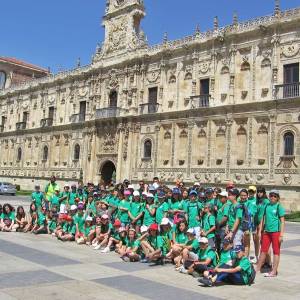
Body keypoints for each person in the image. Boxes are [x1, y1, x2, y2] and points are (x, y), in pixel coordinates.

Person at [256, 189, 285, 277]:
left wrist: (281, 235)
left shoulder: (278, 206)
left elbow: (282, 221)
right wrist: (260, 231)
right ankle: (257, 269)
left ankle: (274, 271)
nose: (272, 197)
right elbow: (263, 219)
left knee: (276, 252)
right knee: (263, 251)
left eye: (275, 196)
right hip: (266, 232)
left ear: (277, 198)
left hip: (275, 232)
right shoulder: (267, 206)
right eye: (271, 196)